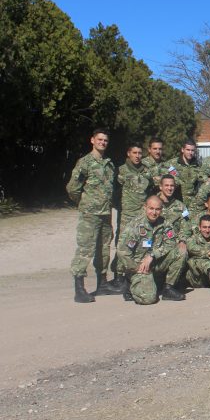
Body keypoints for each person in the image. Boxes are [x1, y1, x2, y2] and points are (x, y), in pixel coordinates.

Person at [67, 128, 123, 302]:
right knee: (85, 249)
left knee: (104, 249)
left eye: (105, 140)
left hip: (105, 213)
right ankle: (79, 288)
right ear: (92, 140)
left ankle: (102, 284)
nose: (103, 143)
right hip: (90, 214)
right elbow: (72, 188)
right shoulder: (84, 162)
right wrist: (85, 203)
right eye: (99, 139)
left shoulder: (109, 163)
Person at [116, 196, 187, 304]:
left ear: (161, 209)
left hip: (155, 262)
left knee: (181, 251)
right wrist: (135, 268)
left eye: (157, 209)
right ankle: (131, 284)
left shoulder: (164, 224)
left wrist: (152, 255)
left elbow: (170, 243)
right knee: (149, 298)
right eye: (151, 208)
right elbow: (122, 251)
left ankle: (168, 288)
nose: (154, 212)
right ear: (145, 207)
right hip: (140, 267)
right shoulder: (134, 226)